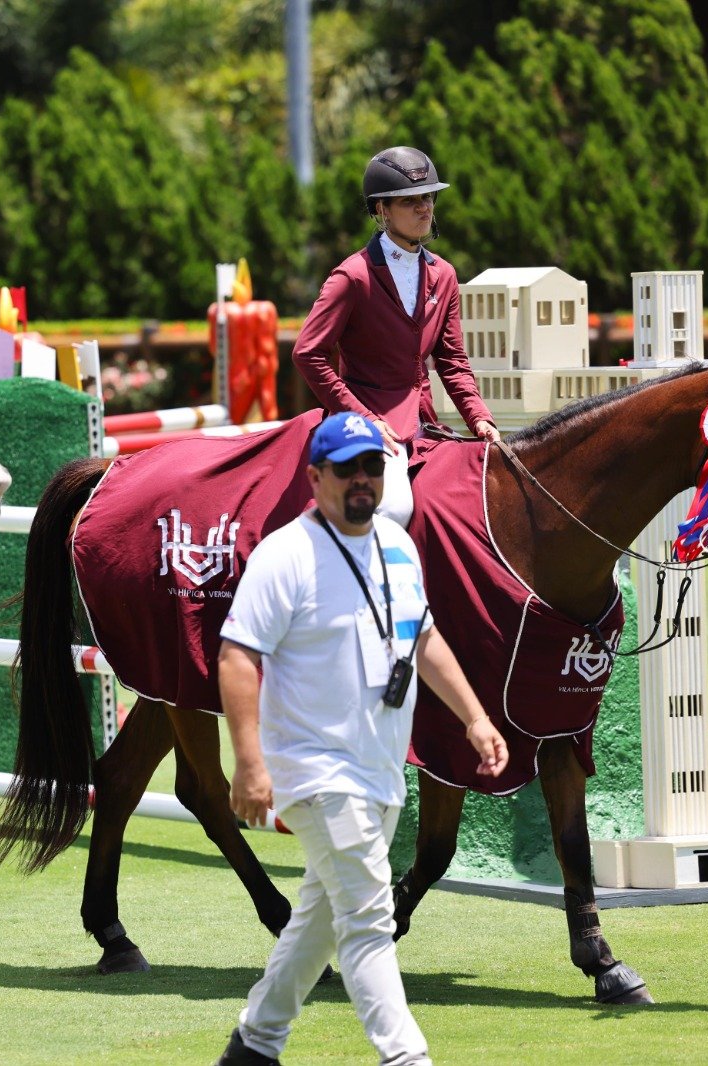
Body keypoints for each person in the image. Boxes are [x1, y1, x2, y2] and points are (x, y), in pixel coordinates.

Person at [212, 412, 508, 1066]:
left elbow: (422, 640)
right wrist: (249, 763)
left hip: (379, 770)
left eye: (372, 466)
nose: (362, 481)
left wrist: (475, 716)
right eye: (347, 469)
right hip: (315, 773)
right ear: (315, 477)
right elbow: (235, 657)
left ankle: (253, 1046)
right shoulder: (285, 554)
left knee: (317, 922)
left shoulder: (398, 546)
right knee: (371, 924)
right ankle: (407, 1059)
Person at [292, 146, 498, 527]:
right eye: (410, 201)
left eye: (428, 197)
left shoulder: (445, 275)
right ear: (382, 210)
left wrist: (480, 419)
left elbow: (452, 361)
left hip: (427, 423)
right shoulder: (352, 277)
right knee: (394, 507)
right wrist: (364, 417)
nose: (424, 208)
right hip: (371, 424)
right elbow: (308, 353)